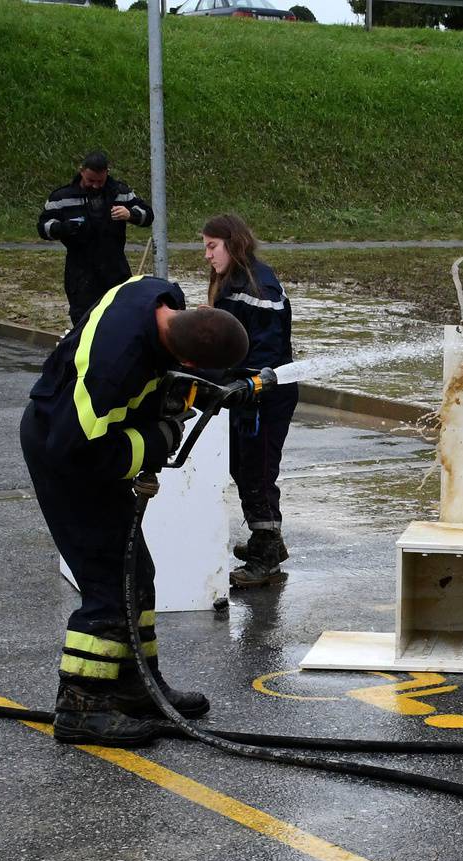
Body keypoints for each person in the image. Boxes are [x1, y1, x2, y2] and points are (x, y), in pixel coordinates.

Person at [20, 275, 252, 746]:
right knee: (108, 580)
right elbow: (77, 449)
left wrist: (181, 391)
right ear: (186, 358)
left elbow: (157, 371)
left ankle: (134, 686)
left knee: (136, 573)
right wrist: (157, 440)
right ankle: (80, 704)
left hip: (85, 432)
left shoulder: (153, 292)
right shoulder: (113, 369)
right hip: (61, 450)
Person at [202, 213, 299, 589]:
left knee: (257, 473)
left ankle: (266, 558)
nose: (208, 255)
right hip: (248, 394)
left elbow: (268, 348)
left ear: (233, 243)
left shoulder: (260, 288)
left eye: (213, 247)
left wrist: (248, 380)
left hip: (266, 396)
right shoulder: (233, 282)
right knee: (241, 468)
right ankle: (268, 540)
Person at [36, 150, 154, 328]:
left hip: (115, 266)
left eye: (100, 181)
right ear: (81, 171)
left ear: (107, 172)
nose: (96, 186)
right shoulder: (62, 197)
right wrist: (62, 228)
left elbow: (148, 215)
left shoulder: (121, 193)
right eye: (91, 181)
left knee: (120, 317)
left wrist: (130, 214)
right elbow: (43, 228)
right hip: (80, 270)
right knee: (84, 321)